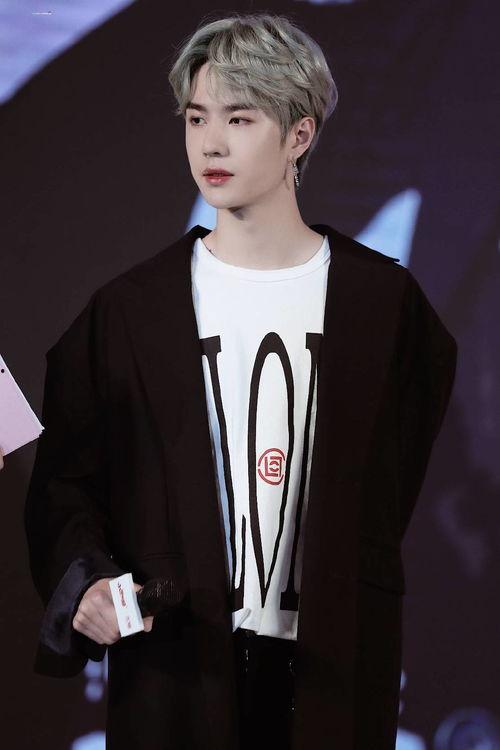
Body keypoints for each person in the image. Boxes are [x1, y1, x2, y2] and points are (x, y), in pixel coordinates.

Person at [24, 12, 457, 750]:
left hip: (335, 680)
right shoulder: (131, 311)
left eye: (240, 118)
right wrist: (88, 582)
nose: (211, 143)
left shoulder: (384, 306)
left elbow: (391, 488)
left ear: (299, 135)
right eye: (197, 118)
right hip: (173, 677)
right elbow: (65, 483)